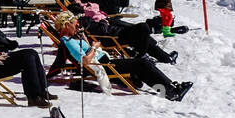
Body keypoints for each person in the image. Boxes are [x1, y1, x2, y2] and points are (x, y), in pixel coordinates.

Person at [53, 13, 192, 101]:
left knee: (141, 66)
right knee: (142, 64)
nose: (77, 26)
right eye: (74, 24)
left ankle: (169, 89)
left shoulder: (72, 38)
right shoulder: (68, 42)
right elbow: (84, 61)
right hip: (104, 66)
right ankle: (172, 91)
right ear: (66, 25)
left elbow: (86, 49)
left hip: (105, 61)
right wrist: (94, 47)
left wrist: (83, 36)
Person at [73, 0, 177, 64]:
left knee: (143, 35)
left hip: (118, 33)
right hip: (114, 37)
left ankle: (165, 58)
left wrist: (105, 21)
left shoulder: (85, 19)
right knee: (143, 28)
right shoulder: (84, 21)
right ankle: (142, 55)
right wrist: (104, 22)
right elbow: (101, 30)